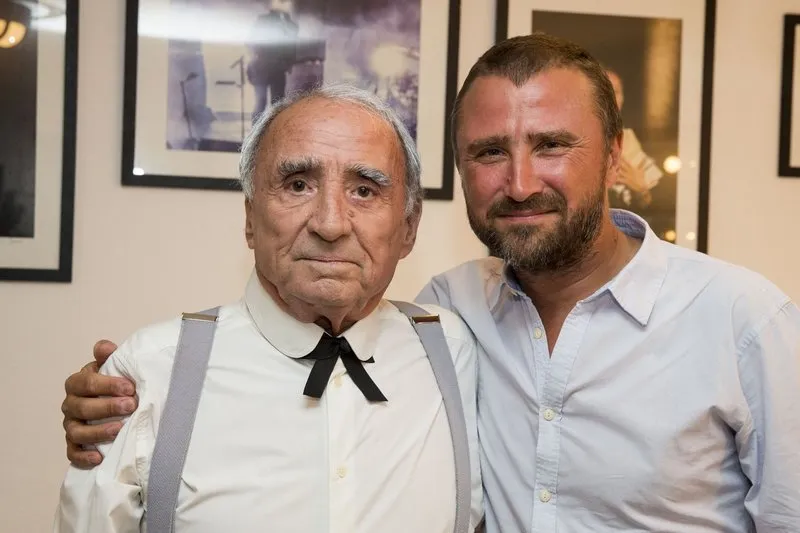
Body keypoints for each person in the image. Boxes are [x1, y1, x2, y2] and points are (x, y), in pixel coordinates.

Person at [61, 33, 800, 532]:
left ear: (613, 158)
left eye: (551, 145)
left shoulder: (745, 321)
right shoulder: (452, 318)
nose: (518, 181)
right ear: (249, 216)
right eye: (488, 151)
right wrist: (112, 391)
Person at [53, 84, 483, 532]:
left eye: (364, 190)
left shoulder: (454, 353)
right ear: (250, 218)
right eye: (298, 185)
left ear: (409, 228)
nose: (330, 223)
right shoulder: (149, 372)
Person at [246, 0, 300, 122]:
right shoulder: (263, 20)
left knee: (277, 102)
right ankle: (257, 132)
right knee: (262, 101)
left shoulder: (290, 24)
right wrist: (255, 55)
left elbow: (293, 45)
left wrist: (289, 63)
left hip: (277, 67)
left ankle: (273, 130)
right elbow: (251, 40)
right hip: (263, 65)